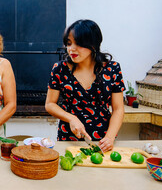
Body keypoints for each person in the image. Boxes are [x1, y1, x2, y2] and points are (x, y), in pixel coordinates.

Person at [45, 19, 125, 152]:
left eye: (79, 44)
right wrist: (71, 118)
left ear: (93, 44)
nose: (72, 49)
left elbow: (118, 109)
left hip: (103, 140)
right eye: (69, 43)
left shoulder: (112, 68)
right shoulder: (60, 69)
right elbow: (50, 104)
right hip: (68, 138)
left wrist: (110, 138)